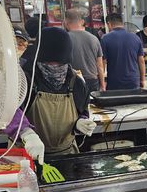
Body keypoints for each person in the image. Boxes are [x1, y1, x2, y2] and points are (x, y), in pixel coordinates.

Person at [18, 27, 94, 155]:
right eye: (48, 62)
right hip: (28, 155)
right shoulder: (24, 80)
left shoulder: (76, 82)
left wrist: (80, 123)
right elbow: (11, 113)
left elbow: (83, 110)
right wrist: (26, 133)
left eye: (59, 63)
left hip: (66, 153)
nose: (54, 66)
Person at [101, 13, 145, 90]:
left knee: (115, 101)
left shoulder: (105, 39)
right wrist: (142, 79)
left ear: (109, 24)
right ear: (122, 23)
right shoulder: (136, 38)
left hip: (114, 82)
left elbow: (102, 63)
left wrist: (102, 83)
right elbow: (141, 61)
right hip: (133, 81)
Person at [64, 9, 105, 93]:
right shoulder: (94, 38)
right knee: (92, 105)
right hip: (92, 80)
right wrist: (103, 85)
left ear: (66, 22)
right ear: (81, 22)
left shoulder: (64, 38)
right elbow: (100, 65)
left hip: (73, 80)